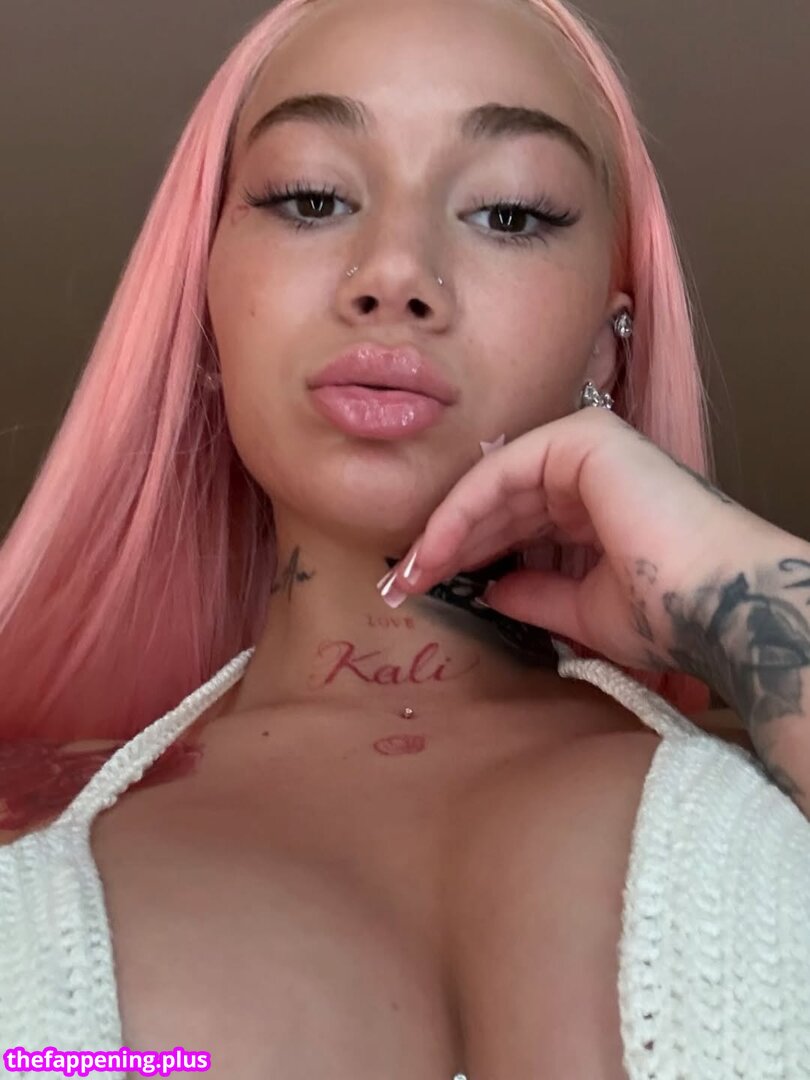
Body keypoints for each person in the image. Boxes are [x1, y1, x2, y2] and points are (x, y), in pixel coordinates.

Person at [2, 0, 810, 1077]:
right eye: (310, 197)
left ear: (607, 347)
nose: (394, 272)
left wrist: (736, 591)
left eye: (510, 213)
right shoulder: (23, 820)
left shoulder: (781, 780)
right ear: (206, 303)